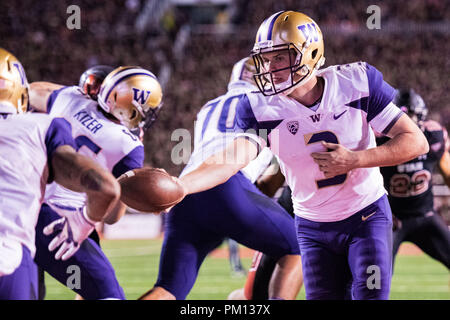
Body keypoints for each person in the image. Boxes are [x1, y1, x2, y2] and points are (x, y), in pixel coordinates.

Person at [175, 11, 429, 300]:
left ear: (310, 53)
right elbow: (230, 160)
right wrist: (182, 186)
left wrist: (356, 159)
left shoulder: (355, 82)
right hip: (312, 227)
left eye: (280, 58)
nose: (271, 68)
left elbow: (415, 141)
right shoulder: (262, 108)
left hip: (366, 215)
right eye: (266, 60)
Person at [139, 57, 302, 300]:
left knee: (168, 289)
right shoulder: (268, 102)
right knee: (296, 248)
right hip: (226, 183)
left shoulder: (210, 106)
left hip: (189, 189)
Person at [29, 65, 164, 299]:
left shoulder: (70, 98)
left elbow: (30, 91)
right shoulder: (128, 146)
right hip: (60, 219)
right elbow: (112, 217)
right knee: (108, 295)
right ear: (130, 107)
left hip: (24, 202)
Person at [0, 48, 120, 300]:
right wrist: (83, 222)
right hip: (10, 257)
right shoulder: (41, 126)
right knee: (106, 293)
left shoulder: (62, 100)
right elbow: (106, 188)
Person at [376, 88, 450, 270]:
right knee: (377, 274)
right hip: (393, 220)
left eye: (413, 116)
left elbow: (447, 171)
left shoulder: (434, 137)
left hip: (426, 216)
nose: (410, 123)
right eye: (404, 116)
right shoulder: (379, 141)